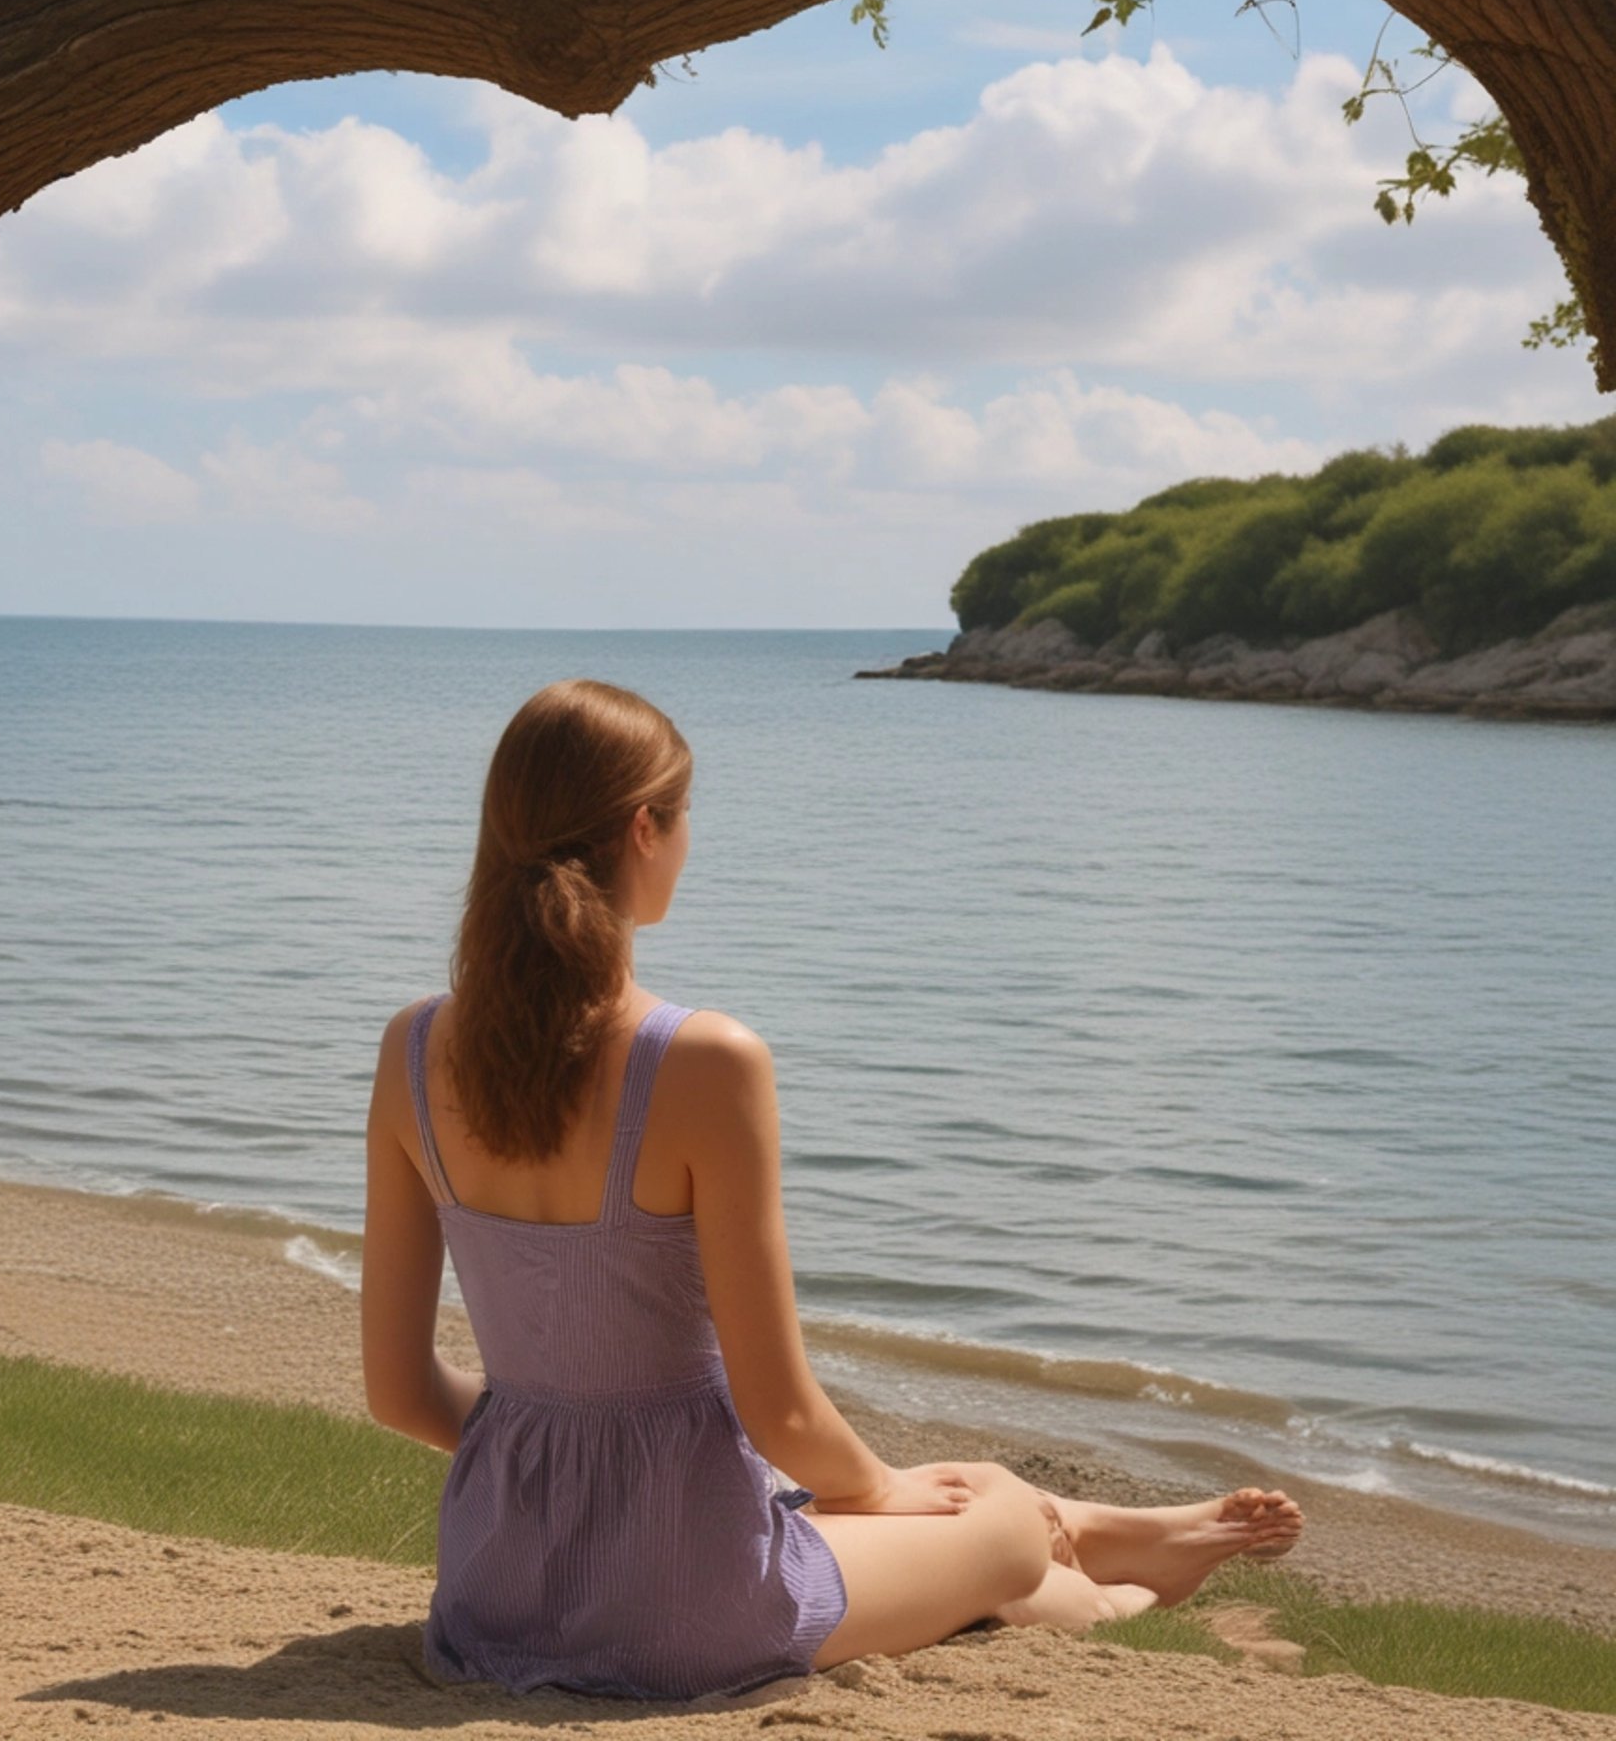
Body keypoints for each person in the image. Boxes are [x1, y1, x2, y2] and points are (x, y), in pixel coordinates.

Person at [360, 677, 1302, 1701]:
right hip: (688, 1615)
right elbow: (781, 1415)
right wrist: (885, 1490)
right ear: (644, 829)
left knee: (928, 1509)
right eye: (683, 821)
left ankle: (1127, 1538)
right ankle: (1126, 1596)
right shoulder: (704, 1060)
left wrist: (558, 1454)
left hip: (494, 1596)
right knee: (984, 1503)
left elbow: (399, 1393)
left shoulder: (413, 1052)